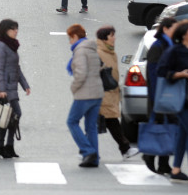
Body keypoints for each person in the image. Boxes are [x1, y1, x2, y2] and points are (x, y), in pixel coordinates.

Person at [157, 20, 188, 185]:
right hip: (179, 97)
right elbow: (162, 71)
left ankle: (176, 170)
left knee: (184, 133)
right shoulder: (175, 51)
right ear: (184, 34)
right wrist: (180, 74)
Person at [96, 26, 139, 160]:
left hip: (111, 93)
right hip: (103, 94)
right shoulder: (98, 53)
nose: (114, 38)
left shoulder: (110, 52)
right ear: (105, 38)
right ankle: (124, 148)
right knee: (107, 122)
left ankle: (87, 150)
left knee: (106, 122)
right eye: (112, 35)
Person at [65, 24, 104, 168]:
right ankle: (94, 158)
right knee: (91, 126)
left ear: (75, 37)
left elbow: (81, 73)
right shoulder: (92, 49)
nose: (70, 42)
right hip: (97, 92)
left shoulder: (80, 51)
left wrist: (73, 88)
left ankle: (88, 151)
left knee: (72, 122)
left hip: (85, 93)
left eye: (70, 38)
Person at [0, 19, 31, 159]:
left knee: (10, 118)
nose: (16, 31)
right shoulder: (1, 47)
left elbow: (17, 69)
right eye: (13, 29)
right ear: (5, 30)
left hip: (11, 88)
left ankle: (4, 147)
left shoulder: (11, 46)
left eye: (17, 28)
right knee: (11, 116)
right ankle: (4, 146)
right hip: (4, 89)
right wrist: (1, 89)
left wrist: (25, 85)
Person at [142, 16, 176, 176]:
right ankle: (149, 155)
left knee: (168, 129)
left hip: (168, 95)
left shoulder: (169, 45)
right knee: (159, 127)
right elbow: (153, 75)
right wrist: (157, 100)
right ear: (165, 29)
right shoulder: (158, 47)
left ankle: (164, 163)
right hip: (159, 96)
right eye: (173, 28)